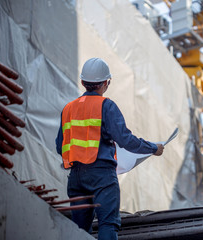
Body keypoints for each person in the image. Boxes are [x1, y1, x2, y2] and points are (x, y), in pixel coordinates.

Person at [55, 58, 164, 240]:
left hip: (75, 177)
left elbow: (60, 147)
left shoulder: (68, 109)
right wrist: (153, 148)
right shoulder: (106, 106)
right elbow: (126, 140)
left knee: (79, 231)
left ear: (82, 82)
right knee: (108, 223)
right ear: (106, 83)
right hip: (102, 176)